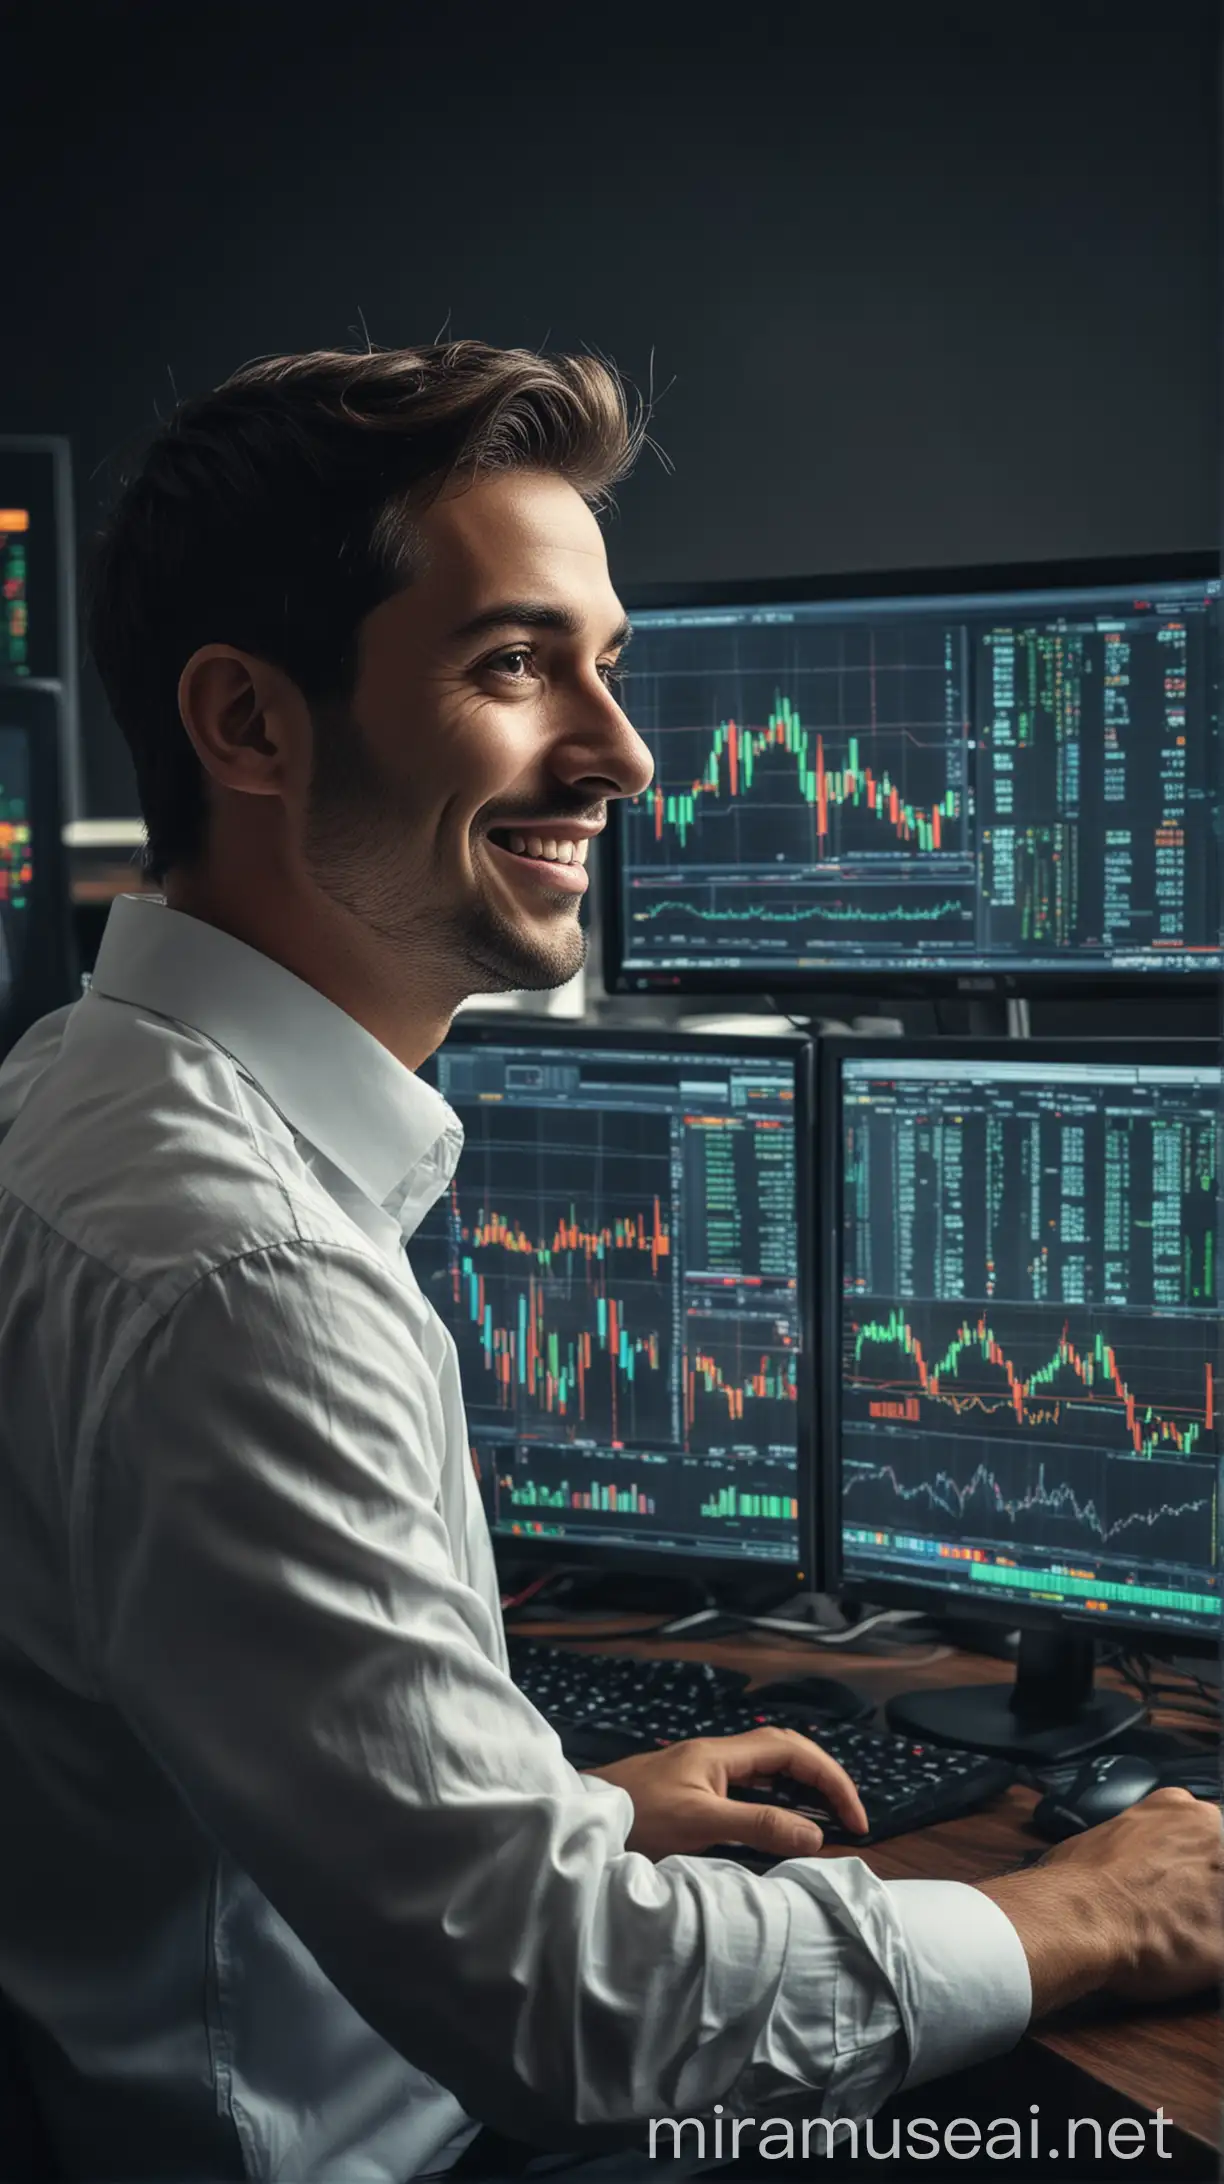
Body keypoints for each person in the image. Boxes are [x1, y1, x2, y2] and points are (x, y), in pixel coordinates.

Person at [0, 344, 1217, 2184]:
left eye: (609, 664)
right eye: (512, 664)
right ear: (250, 725)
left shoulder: (77, 1094)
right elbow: (575, 2017)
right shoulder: (244, 1277)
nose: (624, 751)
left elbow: (217, 1750)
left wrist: (550, 1810)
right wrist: (1090, 1916)